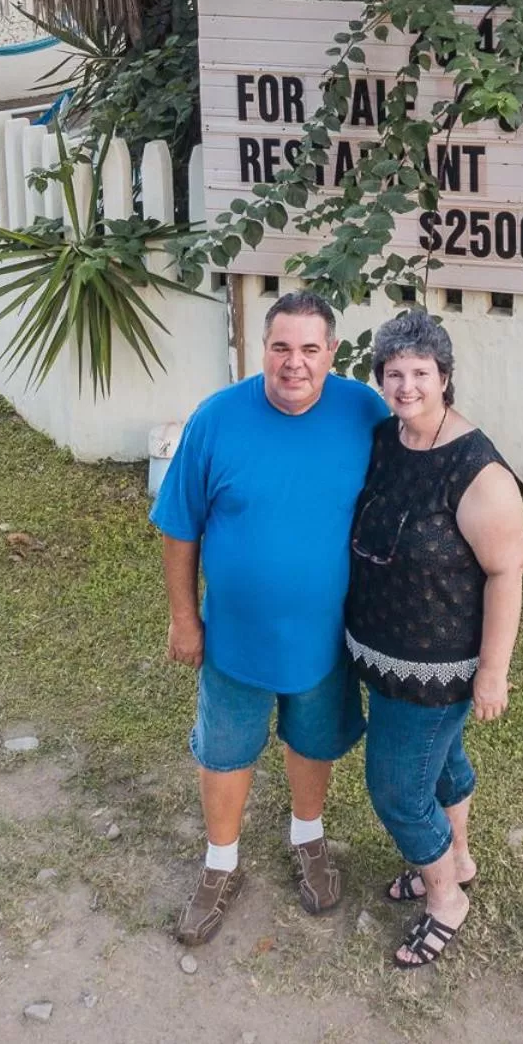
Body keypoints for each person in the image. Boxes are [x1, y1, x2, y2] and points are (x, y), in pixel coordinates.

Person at [150, 291, 389, 946]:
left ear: (331, 353)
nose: (294, 363)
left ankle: (307, 839)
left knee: (312, 740)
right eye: (280, 347)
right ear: (263, 348)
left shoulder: (362, 413)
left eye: (309, 349)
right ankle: (220, 865)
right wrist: (182, 618)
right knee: (226, 750)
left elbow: (414, 473)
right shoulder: (217, 419)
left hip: (326, 638)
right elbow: (178, 527)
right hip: (234, 637)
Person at [345, 309, 523, 969]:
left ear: (445, 378)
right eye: (393, 372)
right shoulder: (386, 440)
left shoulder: (478, 472)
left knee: (397, 786)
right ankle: (457, 856)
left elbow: (506, 570)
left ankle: (446, 898)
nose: (405, 385)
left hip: (436, 666)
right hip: (382, 654)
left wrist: (492, 673)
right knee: (442, 765)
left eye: (420, 372)